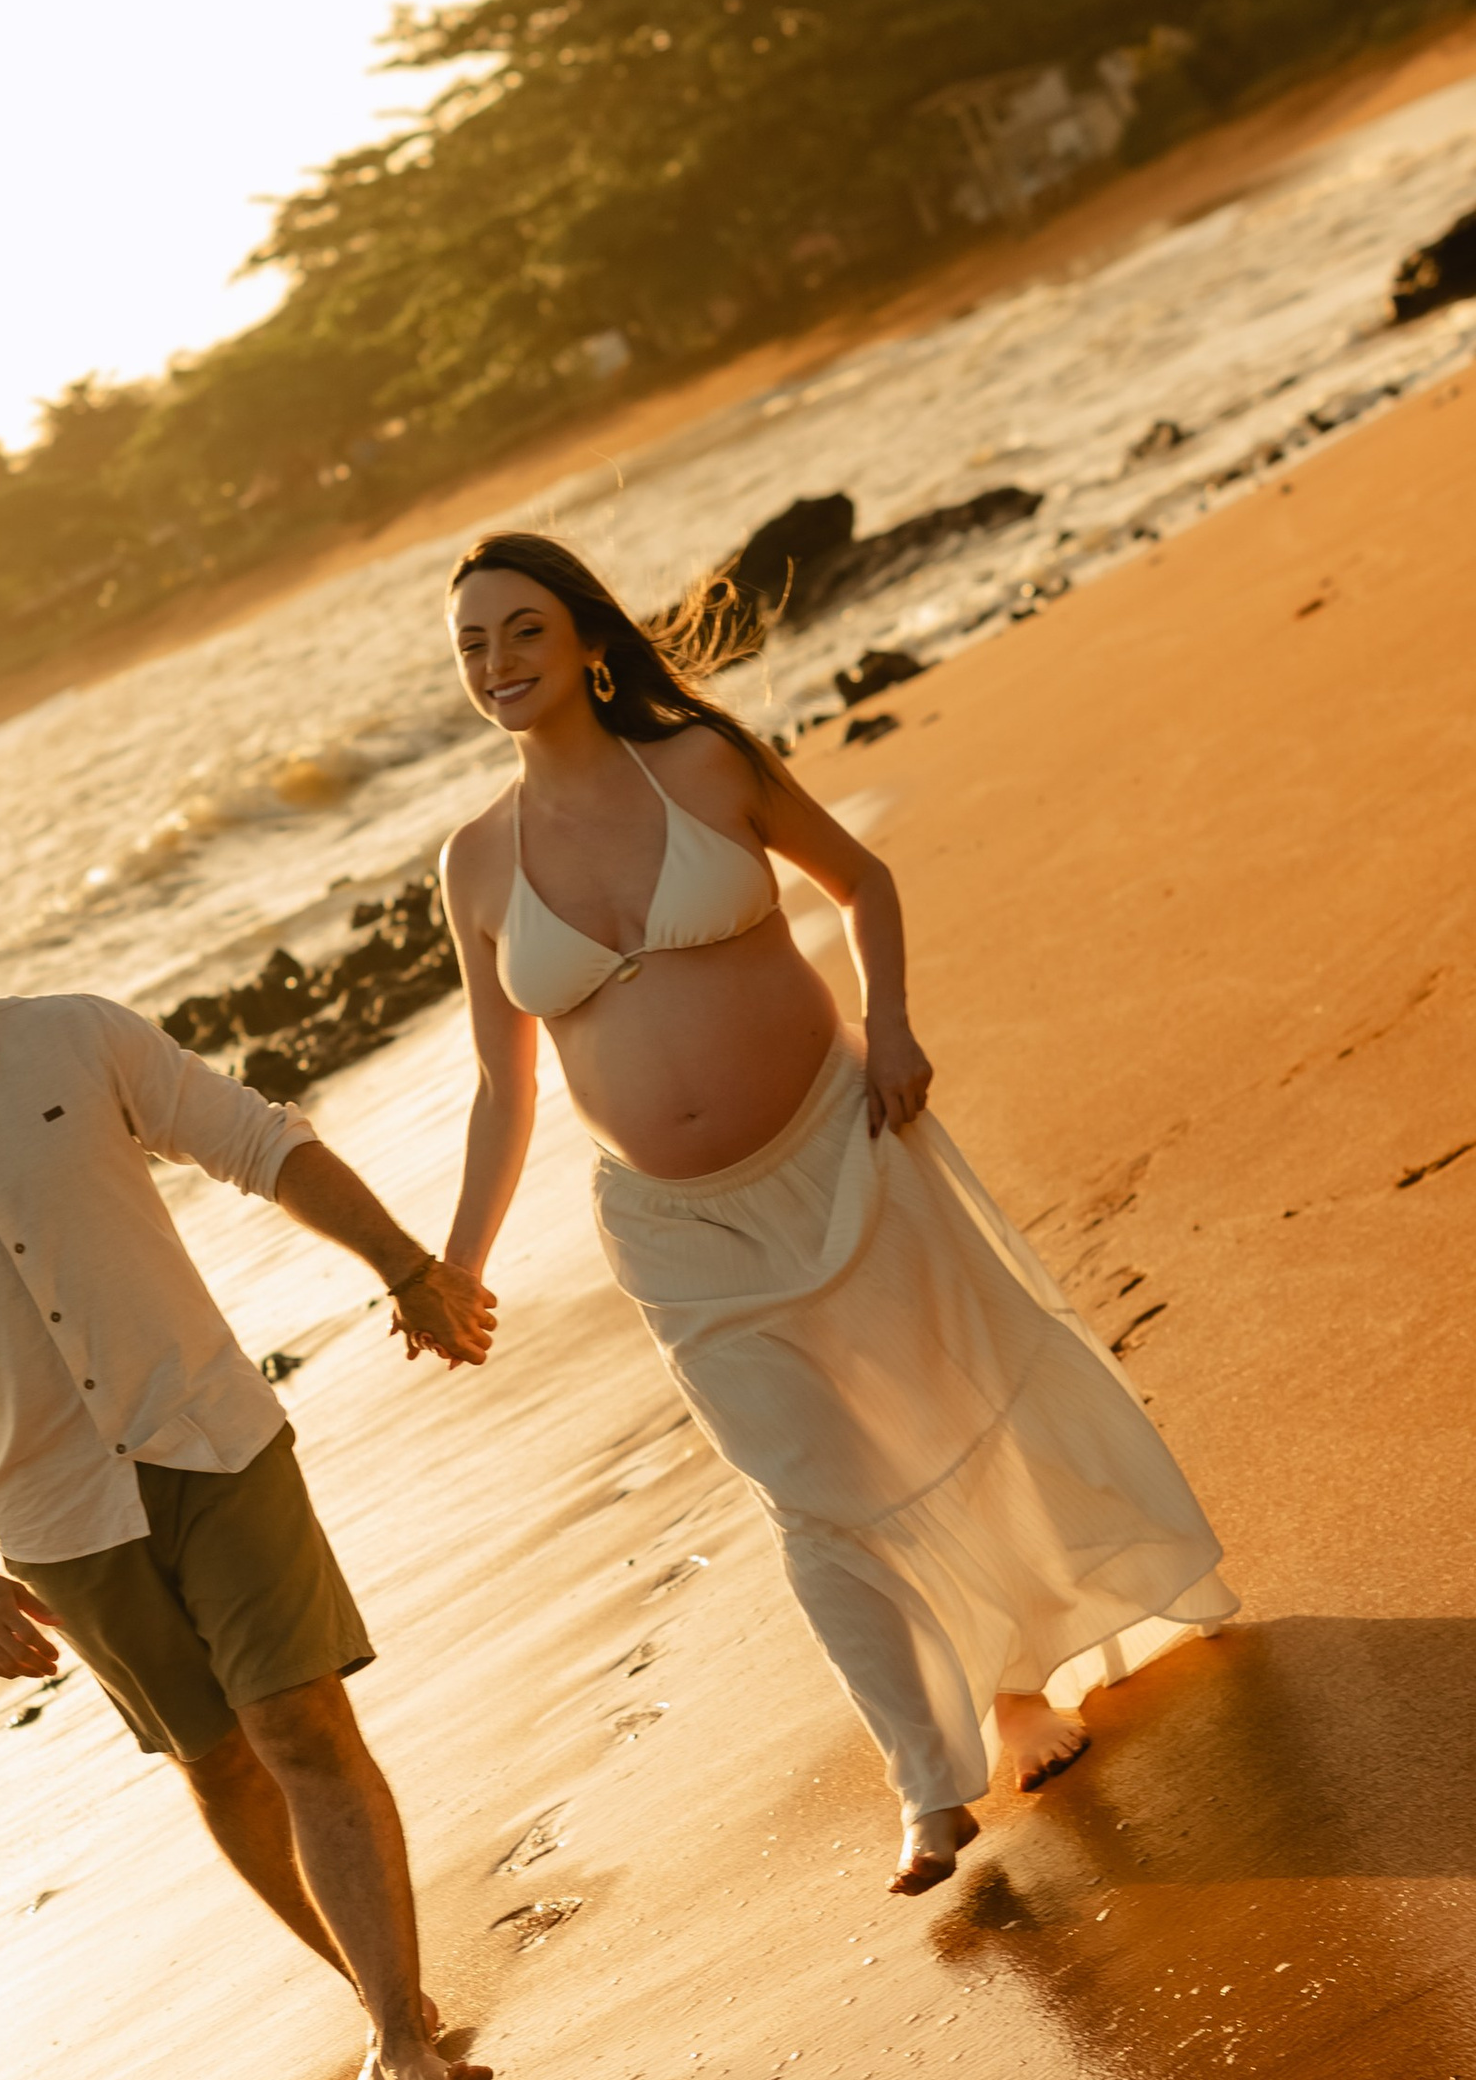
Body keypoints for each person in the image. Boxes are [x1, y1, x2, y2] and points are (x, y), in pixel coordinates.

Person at [431, 531, 1235, 1897]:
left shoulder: (701, 765)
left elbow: (862, 883)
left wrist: (898, 1028)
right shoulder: (473, 862)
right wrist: (452, 1265)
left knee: (952, 1408)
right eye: (470, 648)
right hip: (680, 1233)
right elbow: (501, 1089)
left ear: (580, 637)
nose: (497, 665)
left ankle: (1020, 1688)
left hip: (844, 1145)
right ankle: (925, 1787)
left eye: (519, 632)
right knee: (812, 1497)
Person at [0, 824, 498, 2080]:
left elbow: (259, 1142)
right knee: (220, 1763)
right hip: (57, 1520)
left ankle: (401, 2046)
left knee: (301, 1725)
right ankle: (388, 2004)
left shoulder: (72, 1037)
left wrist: (407, 1267)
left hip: (211, 1433)